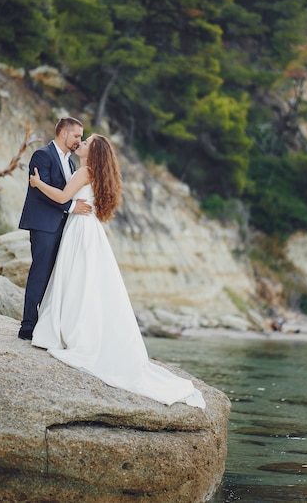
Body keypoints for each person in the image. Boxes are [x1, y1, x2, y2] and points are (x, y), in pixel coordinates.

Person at [29, 134, 205, 408]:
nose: (81, 144)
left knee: (77, 280)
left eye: (85, 143)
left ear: (93, 153)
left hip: (80, 231)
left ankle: (70, 329)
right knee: (86, 282)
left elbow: (63, 197)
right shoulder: (94, 173)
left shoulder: (85, 171)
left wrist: (38, 183)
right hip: (90, 231)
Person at [18, 117, 92, 341]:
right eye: (77, 135)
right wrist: (71, 207)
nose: (79, 140)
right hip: (43, 224)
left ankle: (46, 323)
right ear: (64, 134)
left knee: (53, 276)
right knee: (40, 273)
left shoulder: (70, 163)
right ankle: (27, 326)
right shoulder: (42, 155)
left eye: (81, 137)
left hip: (62, 226)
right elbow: (42, 191)